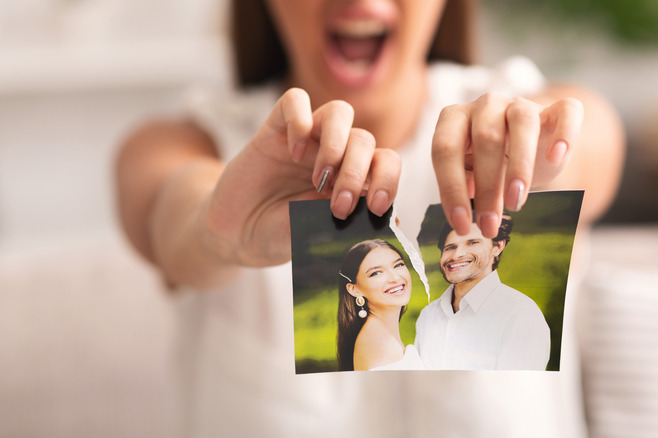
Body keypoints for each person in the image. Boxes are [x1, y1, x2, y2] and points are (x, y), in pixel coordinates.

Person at [115, 0, 624, 436]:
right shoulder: (188, 142)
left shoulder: (524, 109)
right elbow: (174, 213)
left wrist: (533, 147)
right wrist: (216, 233)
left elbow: (591, 142)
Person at [415, 213, 551, 370]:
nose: (457, 254)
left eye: (472, 243)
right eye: (450, 247)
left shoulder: (521, 315)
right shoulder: (428, 315)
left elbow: (518, 391)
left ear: (497, 247)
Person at [336, 239, 424, 371]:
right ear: (355, 289)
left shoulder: (377, 335)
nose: (394, 277)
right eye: (376, 273)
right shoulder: (382, 345)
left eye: (398, 265)